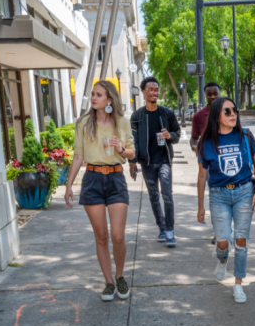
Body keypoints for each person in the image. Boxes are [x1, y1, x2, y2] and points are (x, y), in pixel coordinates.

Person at [65, 80, 136, 301]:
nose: (94, 98)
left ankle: (120, 276)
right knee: (102, 236)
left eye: (99, 95)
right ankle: (108, 282)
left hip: (116, 178)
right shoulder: (84, 123)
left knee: (117, 235)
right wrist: (68, 185)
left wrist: (120, 149)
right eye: (93, 95)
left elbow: (132, 154)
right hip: (93, 179)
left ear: (109, 99)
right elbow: (78, 156)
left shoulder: (121, 123)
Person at [196, 97, 255, 304]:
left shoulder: (245, 135)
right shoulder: (206, 142)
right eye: (227, 111)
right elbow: (201, 176)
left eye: (234, 110)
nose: (233, 114)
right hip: (219, 195)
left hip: (244, 191)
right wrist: (200, 206)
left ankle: (238, 283)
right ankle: (222, 259)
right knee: (223, 240)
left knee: (241, 241)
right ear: (217, 115)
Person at [131, 76, 181, 247]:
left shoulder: (167, 113)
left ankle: (169, 230)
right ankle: (161, 227)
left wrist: (170, 136)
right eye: (151, 89)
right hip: (147, 163)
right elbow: (134, 141)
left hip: (164, 160)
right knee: (153, 196)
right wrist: (133, 162)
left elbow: (177, 134)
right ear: (143, 93)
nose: (154, 92)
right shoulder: (137, 116)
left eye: (157, 89)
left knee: (167, 195)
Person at [191, 82, 222, 245]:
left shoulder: (227, 112)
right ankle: (219, 232)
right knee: (215, 198)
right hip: (209, 164)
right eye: (209, 94)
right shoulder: (198, 116)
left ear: (219, 93)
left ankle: (223, 230)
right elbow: (193, 139)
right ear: (205, 96)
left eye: (215, 93)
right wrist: (195, 148)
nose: (212, 97)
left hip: (227, 161)